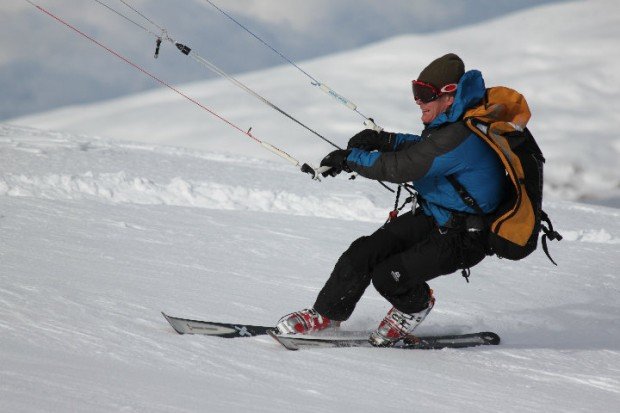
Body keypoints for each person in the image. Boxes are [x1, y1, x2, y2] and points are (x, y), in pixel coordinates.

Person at [275, 53, 508, 346]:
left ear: (450, 96)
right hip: (434, 216)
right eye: (416, 92)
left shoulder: (462, 135)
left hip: (465, 235)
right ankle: (325, 316)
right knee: (362, 253)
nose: (418, 101)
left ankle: (415, 306)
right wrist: (385, 141)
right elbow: (424, 148)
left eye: (425, 94)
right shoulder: (454, 123)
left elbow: (403, 167)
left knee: (389, 276)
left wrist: (350, 159)